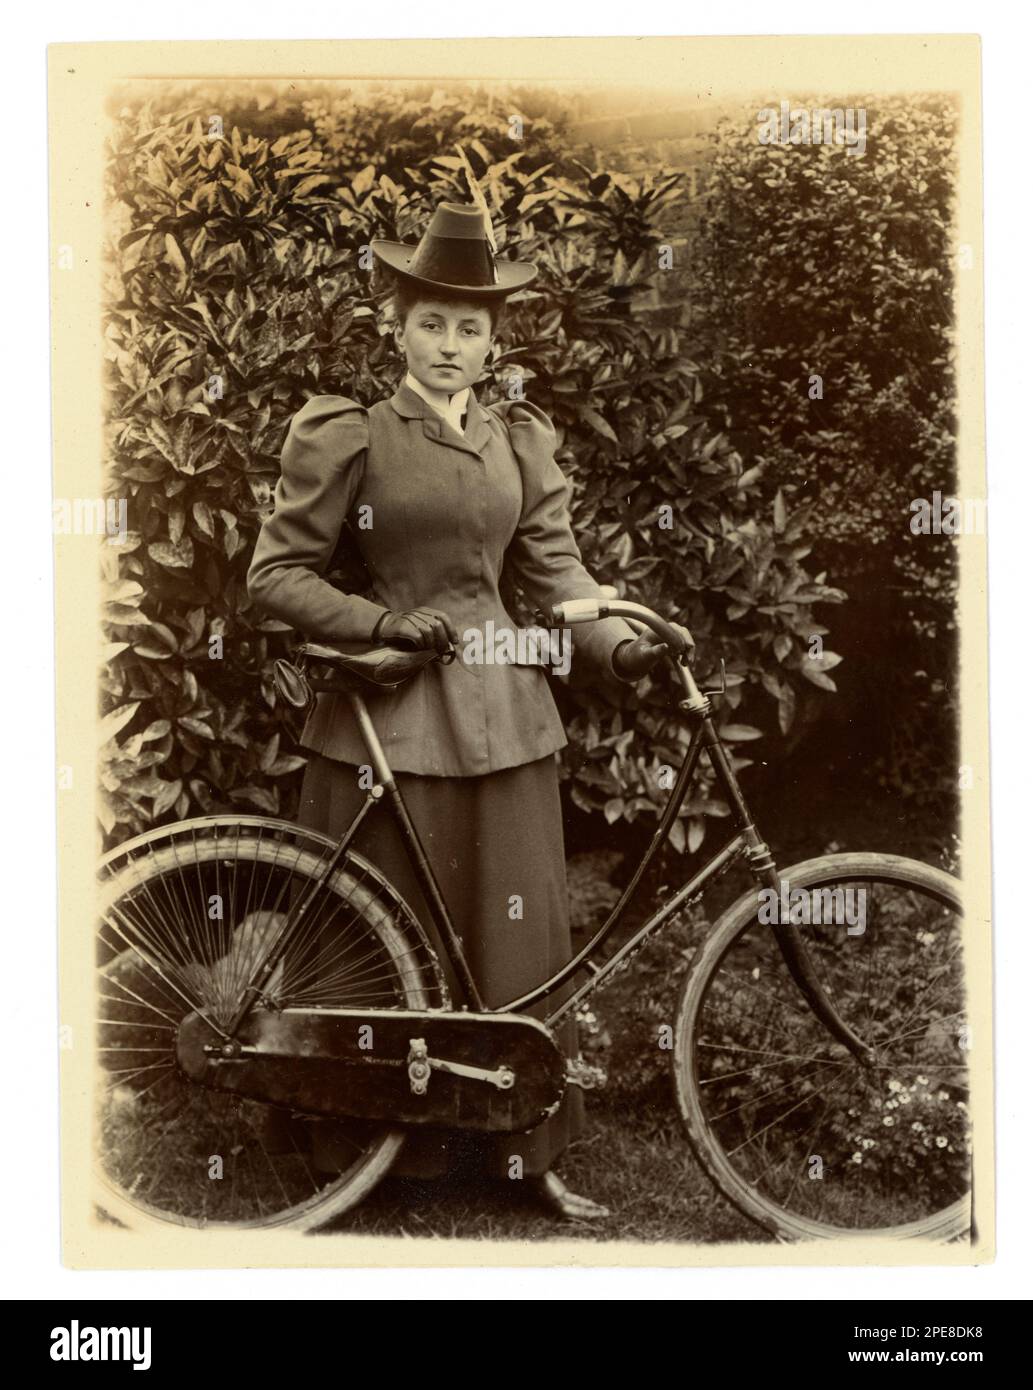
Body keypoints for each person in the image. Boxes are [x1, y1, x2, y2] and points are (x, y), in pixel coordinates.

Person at [246, 201, 689, 1220]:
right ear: (396, 325)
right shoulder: (347, 432)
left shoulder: (518, 440)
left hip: (511, 722)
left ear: (496, 340)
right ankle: (357, 1159)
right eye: (433, 323)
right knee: (375, 956)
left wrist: (617, 640)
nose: (452, 345)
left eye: (471, 327)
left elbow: (553, 572)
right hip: (390, 726)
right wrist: (377, 621)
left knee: (516, 940)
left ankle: (520, 1160)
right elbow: (275, 576)